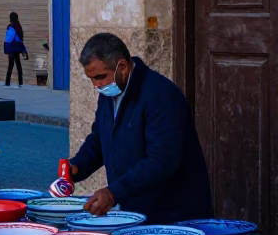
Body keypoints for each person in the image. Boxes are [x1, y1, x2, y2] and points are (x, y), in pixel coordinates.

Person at [67, 32, 213, 223]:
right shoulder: (109, 93)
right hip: (136, 213)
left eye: (100, 77)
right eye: (92, 79)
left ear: (123, 67)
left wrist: (114, 192)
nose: (96, 85)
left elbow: (162, 160)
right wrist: (76, 167)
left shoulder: (161, 95)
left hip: (173, 216)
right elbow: (99, 139)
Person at [3, 11, 28, 87]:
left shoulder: (11, 27)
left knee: (10, 66)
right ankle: (20, 82)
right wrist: (24, 51)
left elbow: (8, 39)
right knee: (18, 65)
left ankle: (7, 83)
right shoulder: (18, 27)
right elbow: (20, 40)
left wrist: (5, 48)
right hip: (17, 48)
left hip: (11, 48)